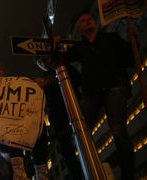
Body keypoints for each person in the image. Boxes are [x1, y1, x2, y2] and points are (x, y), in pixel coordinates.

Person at [60, 13, 136, 179]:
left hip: (114, 87)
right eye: (83, 20)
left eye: (90, 18)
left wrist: (132, 41)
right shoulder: (79, 48)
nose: (88, 20)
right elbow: (59, 60)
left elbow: (129, 60)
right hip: (91, 93)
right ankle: (88, 170)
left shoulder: (112, 38)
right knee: (81, 130)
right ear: (79, 29)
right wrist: (55, 45)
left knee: (118, 129)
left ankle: (128, 175)